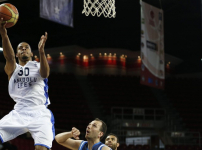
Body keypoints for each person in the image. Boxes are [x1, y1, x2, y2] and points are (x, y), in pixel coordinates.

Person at [0, 18, 55, 150]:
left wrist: (42, 51)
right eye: (20, 48)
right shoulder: (13, 69)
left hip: (39, 112)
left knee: (41, 149)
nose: (23, 49)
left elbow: (45, 74)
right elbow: (9, 57)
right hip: (19, 112)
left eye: (26, 48)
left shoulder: (38, 65)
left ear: (31, 53)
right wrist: (4, 34)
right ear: (17, 53)